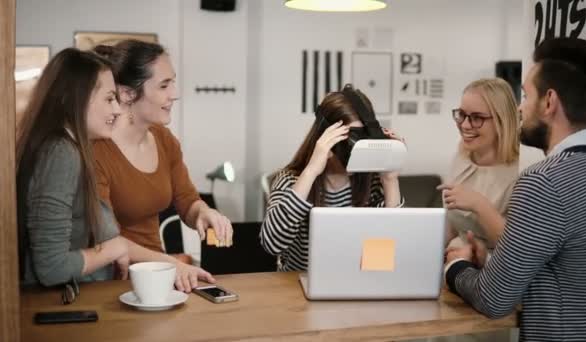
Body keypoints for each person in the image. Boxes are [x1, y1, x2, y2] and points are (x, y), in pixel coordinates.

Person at [445, 37, 586, 341]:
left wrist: (456, 267)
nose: (519, 108)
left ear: (549, 102)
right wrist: (492, 262)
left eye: (525, 96)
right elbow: (569, 271)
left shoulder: (543, 182)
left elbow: (493, 299)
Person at [17, 48, 215, 292]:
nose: (116, 109)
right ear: (76, 98)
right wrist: (117, 249)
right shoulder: (62, 153)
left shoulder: (70, 148)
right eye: (109, 99)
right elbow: (51, 267)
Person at [93, 40, 233, 265]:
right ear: (128, 93)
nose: (175, 94)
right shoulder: (98, 150)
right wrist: (172, 265)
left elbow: (187, 200)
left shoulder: (165, 140)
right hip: (112, 278)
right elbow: (107, 238)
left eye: (173, 83)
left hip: (157, 272)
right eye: (164, 85)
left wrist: (204, 212)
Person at [260, 84, 405, 271]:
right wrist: (311, 171)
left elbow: (392, 247)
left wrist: (390, 180)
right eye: (351, 138)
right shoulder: (291, 181)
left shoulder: (373, 182)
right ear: (326, 137)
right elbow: (272, 244)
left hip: (356, 282)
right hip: (298, 285)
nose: (357, 149)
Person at [439, 78, 519, 250]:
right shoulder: (461, 157)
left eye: (477, 118)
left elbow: (517, 251)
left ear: (501, 121)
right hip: (455, 265)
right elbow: (451, 227)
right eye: (461, 115)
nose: (465, 125)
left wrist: (479, 205)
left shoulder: (523, 174)